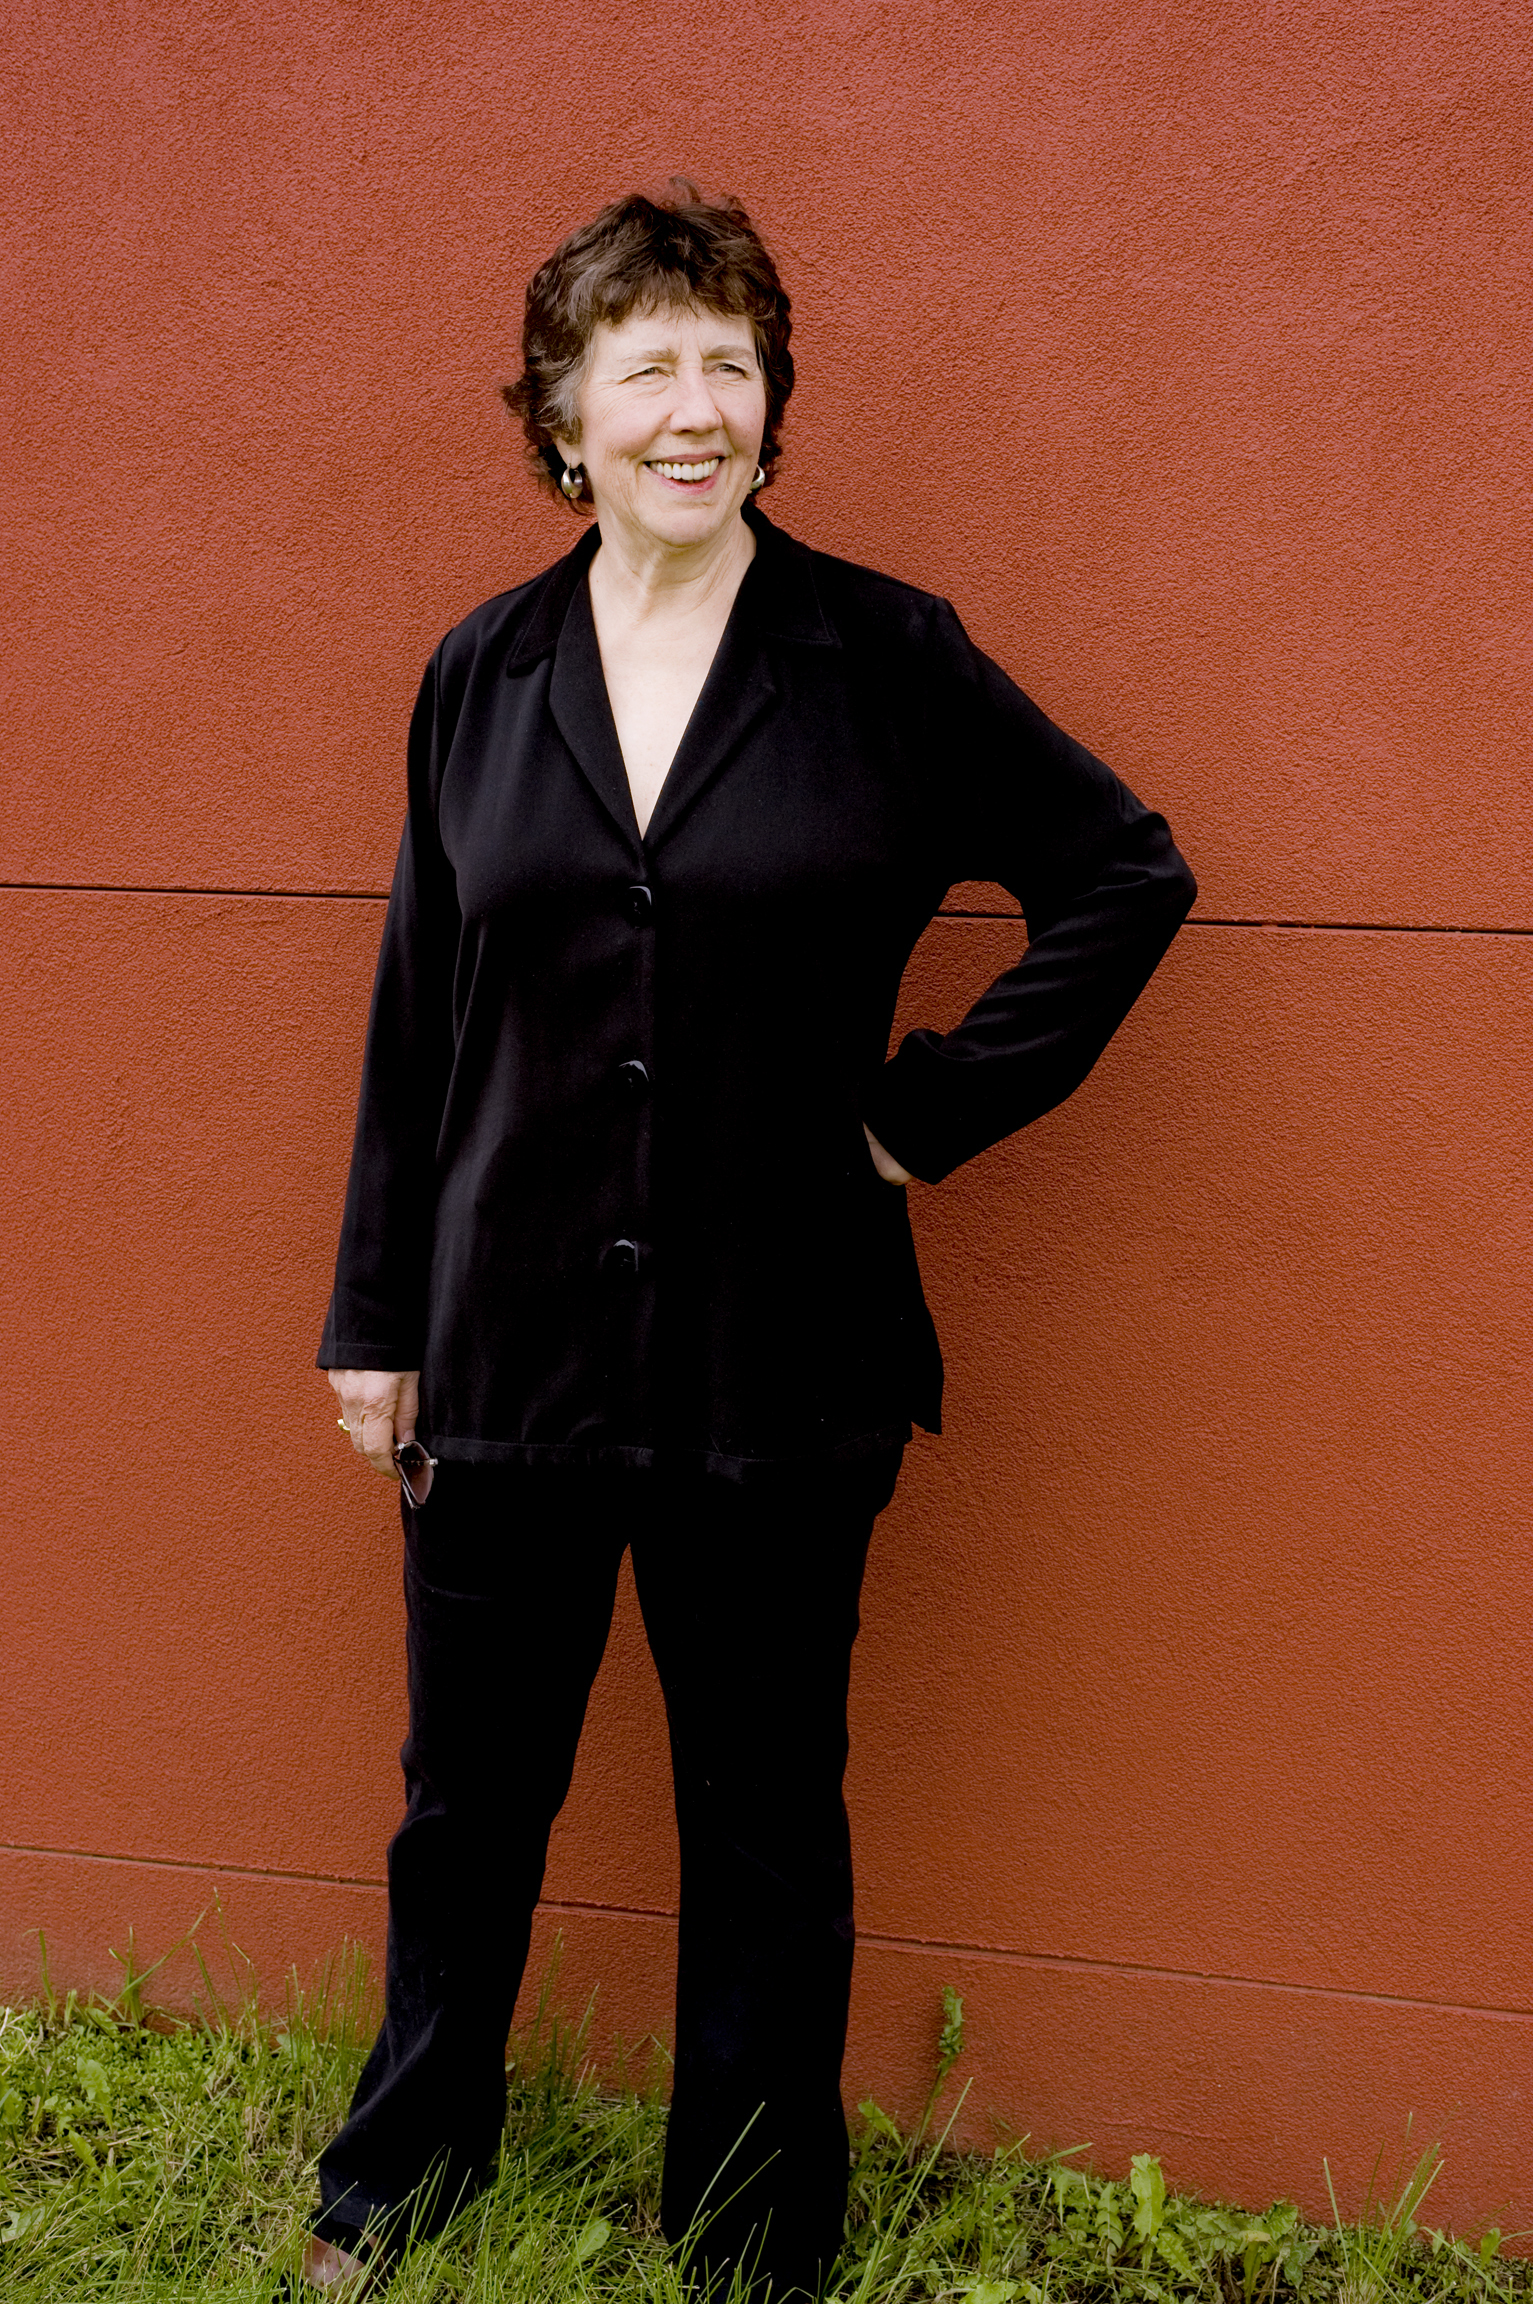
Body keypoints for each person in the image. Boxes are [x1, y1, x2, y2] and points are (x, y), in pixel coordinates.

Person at [303, 182, 1196, 2297]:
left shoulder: (882, 657)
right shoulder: (482, 672)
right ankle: (403, 2176)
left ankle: (750, 2230)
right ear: (563, 417)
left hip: (780, 1349)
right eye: (647, 370)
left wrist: (919, 1114)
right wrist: (374, 1315)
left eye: (731, 366)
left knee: (766, 1814)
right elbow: (424, 1008)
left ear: (773, 408)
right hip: (507, 1347)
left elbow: (1121, 877)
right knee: (466, 1804)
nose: (693, 409)